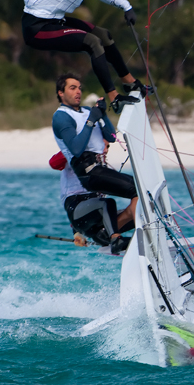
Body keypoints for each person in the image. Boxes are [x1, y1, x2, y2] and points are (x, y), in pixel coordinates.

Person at [23, 0, 157, 113]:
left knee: (103, 35)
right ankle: (114, 98)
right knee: (92, 42)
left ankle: (130, 83)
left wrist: (125, 6)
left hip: (55, 21)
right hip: (36, 29)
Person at [52, 73, 138, 254]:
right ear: (61, 92)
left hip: (98, 220)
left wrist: (102, 115)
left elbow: (112, 137)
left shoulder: (86, 113)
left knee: (138, 197)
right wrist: (92, 120)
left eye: (79, 88)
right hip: (79, 206)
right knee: (109, 202)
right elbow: (73, 151)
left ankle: (136, 238)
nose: (78, 91)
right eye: (72, 88)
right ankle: (116, 238)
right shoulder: (62, 117)